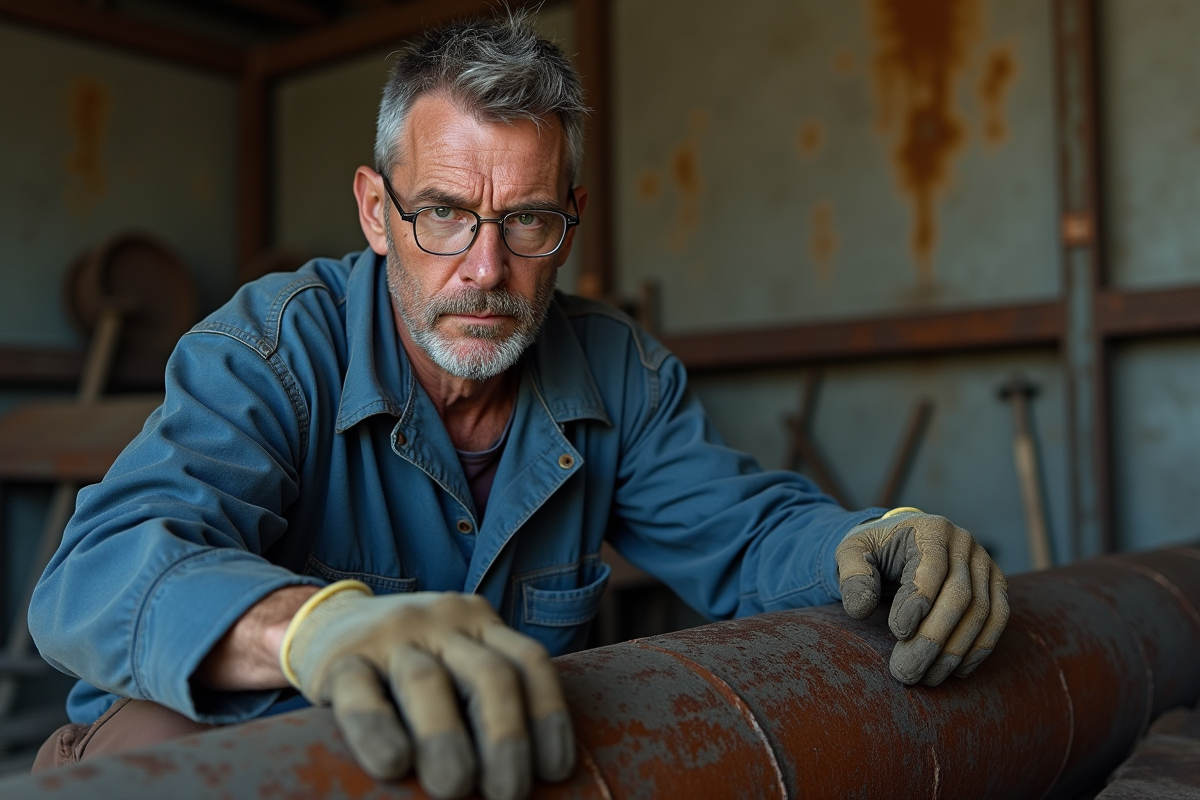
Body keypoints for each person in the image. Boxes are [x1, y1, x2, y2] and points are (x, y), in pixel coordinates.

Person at [28, 11, 1008, 800]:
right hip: (234, 747)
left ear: (570, 220)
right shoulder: (273, 349)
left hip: (477, 766)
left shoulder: (618, 370)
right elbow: (94, 572)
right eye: (444, 213)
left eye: (527, 220)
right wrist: (312, 629)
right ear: (376, 211)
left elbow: (747, 536)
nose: (486, 268)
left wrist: (872, 538)